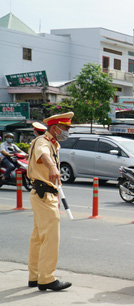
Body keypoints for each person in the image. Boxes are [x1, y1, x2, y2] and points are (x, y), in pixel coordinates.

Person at [26, 112, 75, 291]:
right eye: (66, 128)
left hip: (45, 193)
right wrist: (53, 167)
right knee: (50, 237)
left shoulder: (52, 144)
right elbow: (44, 156)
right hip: (43, 194)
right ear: (55, 128)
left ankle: (35, 275)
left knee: (39, 237)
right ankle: (46, 278)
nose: (67, 131)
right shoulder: (43, 142)